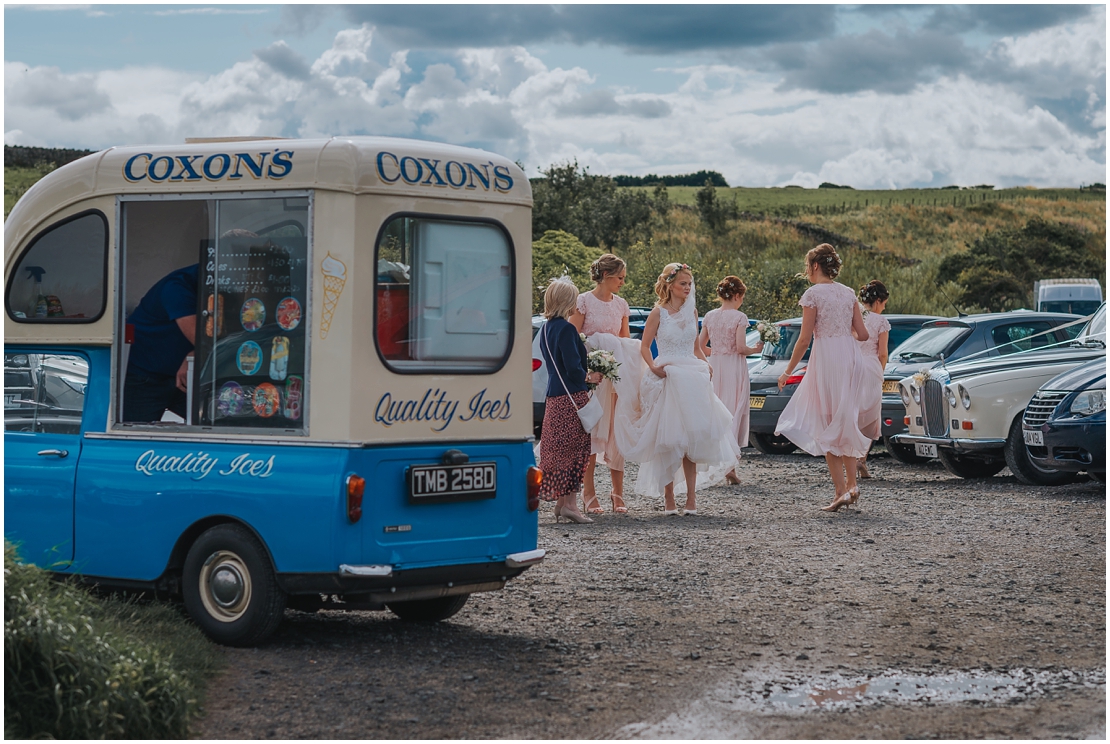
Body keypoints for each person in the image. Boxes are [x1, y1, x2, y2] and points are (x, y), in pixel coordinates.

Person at [615, 263, 739, 516]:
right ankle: (669, 499)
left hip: (692, 377)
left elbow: (695, 346)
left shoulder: (692, 312)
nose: (687, 288)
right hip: (668, 375)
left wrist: (706, 364)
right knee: (669, 440)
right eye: (683, 283)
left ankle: (691, 500)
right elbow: (645, 346)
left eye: (689, 284)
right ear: (670, 285)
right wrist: (652, 367)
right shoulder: (658, 313)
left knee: (692, 439)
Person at [774, 244, 870, 512]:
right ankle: (852, 486)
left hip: (827, 357)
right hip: (851, 357)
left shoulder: (813, 294)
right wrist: (843, 336)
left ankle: (840, 491)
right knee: (845, 419)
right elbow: (863, 335)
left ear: (815, 266)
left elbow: (804, 339)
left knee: (828, 421)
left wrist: (787, 371)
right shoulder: (849, 293)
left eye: (808, 265)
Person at [569, 253, 641, 515]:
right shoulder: (583, 301)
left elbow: (624, 341)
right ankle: (589, 493)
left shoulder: (621, 304)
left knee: (616, 431)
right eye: (620, 277)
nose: (623, 282)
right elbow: (573, 339)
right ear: (607, 276)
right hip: (592, 378)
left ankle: (617, 492)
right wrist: (592, 361)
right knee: (592, 432)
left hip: (615, 378)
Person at [538, 277, 603, 524]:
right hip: (572, 397)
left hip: (553, 397)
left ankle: (562, 504)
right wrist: (591, 376)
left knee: (558, 450)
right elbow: (573, 368)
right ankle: (571, 506)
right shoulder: (566, 329)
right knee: (576, 451)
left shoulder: (545, 329)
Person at [698, 276, 763, 485]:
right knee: (734, 410)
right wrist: (756, 349)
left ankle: (720, 464)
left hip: (715, 365)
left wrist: (717, 351)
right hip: (734, 367)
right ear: (737, 296)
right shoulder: (739, 317)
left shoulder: (709, 315)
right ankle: (729, 466)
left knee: (717, 412)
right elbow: (741, 348)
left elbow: (700, 346)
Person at [123, 263, 198, 422]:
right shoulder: (177, 286)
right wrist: (197, 353)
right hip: (144, 375)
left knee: (213, 423)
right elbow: (201, 339)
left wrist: (195, 353)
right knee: (136, 435)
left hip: (183, 374)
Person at [855, 280, 891, 479]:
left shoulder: (855, 318)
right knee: (870, 415)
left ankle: (854, 458)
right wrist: (881, 371)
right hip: (871, 368)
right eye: (884, 303)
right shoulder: (880, 322)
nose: (884, 307)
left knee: (853, 412)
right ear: (878, 301)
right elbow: (883, 353)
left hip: (853, 367)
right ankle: (861, 459)